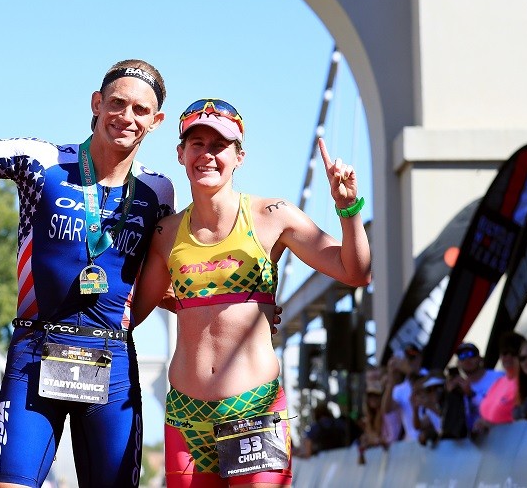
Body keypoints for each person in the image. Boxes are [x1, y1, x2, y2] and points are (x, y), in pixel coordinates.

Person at [0, 0, 175, 487]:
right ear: (96, 103)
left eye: (141, 111)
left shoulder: (158, 191)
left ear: (156, 121)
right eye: (117, 103)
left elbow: (163, 279)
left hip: (112, 360)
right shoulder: (42, 161)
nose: (127, 117)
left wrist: (236, 308)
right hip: (37, 351)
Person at [131, 98, 371, 486]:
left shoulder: (272, 216)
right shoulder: (165, 234)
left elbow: (355, 272)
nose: (207, 155)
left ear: (239, 157)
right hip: (185, 416)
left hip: (254, 409)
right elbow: (130, 312)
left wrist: (348, 209)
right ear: (180, 154)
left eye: (219, 145)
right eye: (197, 144)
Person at [473, 331, 525, 436]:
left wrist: (492, 425)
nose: (508, 357)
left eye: (514, 353)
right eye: (505, 353)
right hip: (491, 443)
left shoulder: (524, 383)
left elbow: (522, 417)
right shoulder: (499, 381)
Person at [453, 342, 501, 431]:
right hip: (477, 439)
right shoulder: (458, 388)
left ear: (480, 358)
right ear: (458, 363)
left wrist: (471, 395)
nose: (467, 359)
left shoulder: (498, 377)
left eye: (471, 354)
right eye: (462, 356)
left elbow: (501, 407)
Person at [382, 343, 426, 442]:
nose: (410, 362)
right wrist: (391, 377)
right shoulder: (399, 389)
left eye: (413, 358)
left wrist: (408, 371)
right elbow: (387, 409)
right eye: (406, 359)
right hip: (411, 442)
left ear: (420, 358)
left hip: (429, 439)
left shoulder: (429, 377)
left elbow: (419, 383)